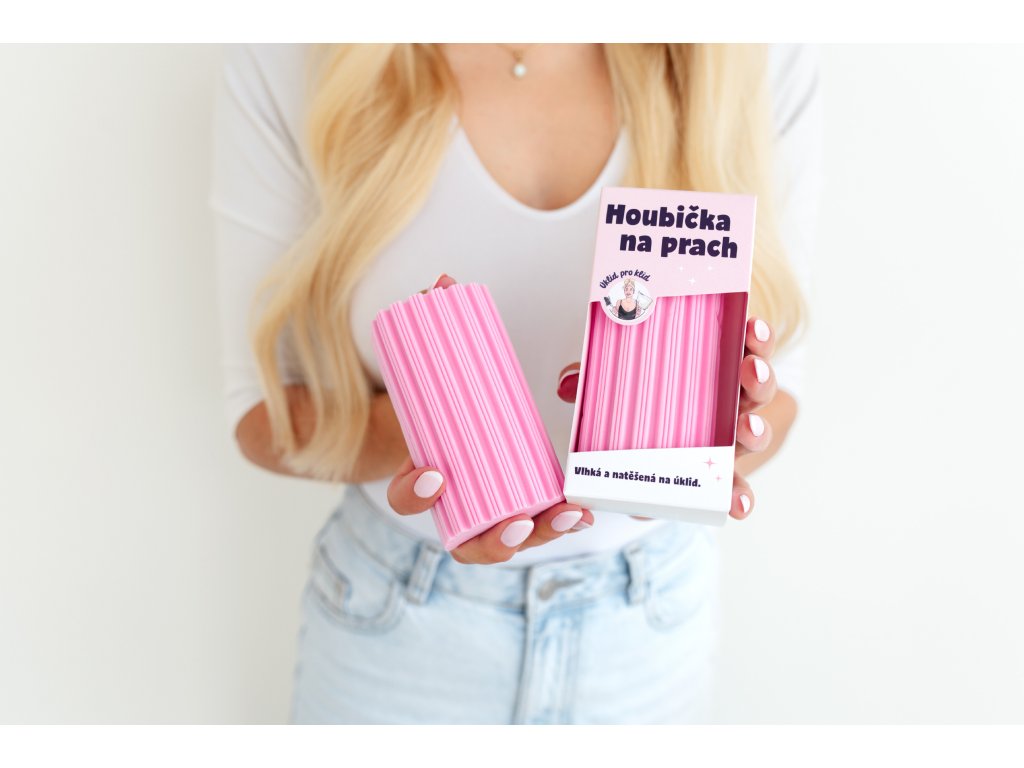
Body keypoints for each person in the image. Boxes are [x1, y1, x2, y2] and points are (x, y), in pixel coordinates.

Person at [208, 43, 821, 724]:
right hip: (399, 625)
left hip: (647, 624)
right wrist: (450, 425)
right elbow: (261, 413)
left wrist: (694, 453)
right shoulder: (292, 53)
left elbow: (783, 392)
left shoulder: (747, 48)